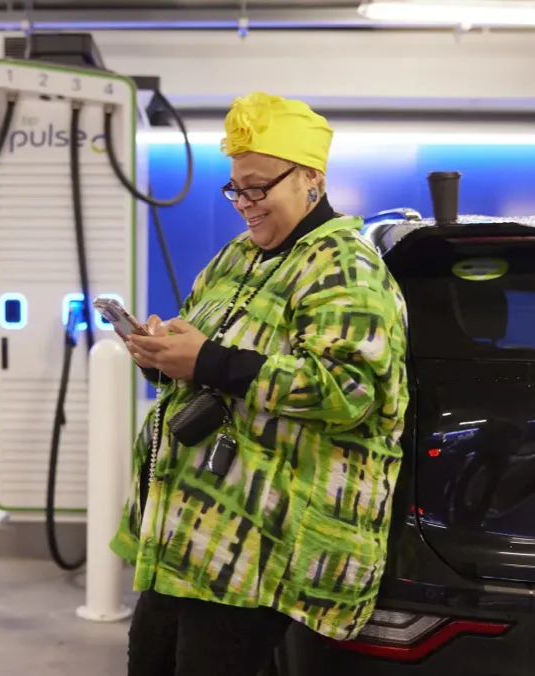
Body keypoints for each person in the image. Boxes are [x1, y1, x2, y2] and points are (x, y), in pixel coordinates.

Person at [109, 91, 410, 676]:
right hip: (191, 537)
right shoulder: (237, 259)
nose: (243, 204)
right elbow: (203, 357)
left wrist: (209, 362)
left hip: (259, 549)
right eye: (235, 189)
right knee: (149, 659)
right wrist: (160, 354)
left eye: (258, 188)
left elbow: (348, 391)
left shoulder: (345, 266)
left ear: (311, 181)